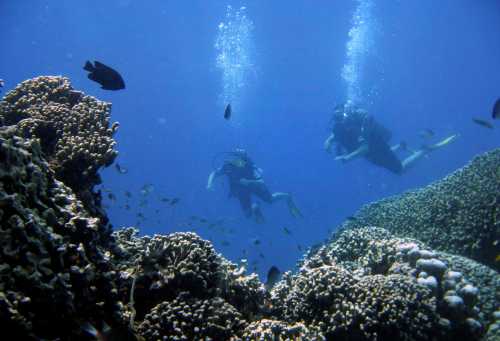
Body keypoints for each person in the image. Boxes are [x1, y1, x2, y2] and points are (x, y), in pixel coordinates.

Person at [324, 103, 458, 174]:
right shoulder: (340, 125)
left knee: (400, 170)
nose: (339, 122)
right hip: (371, 152)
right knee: (381, 159)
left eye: (340, 118)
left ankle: (424, 150)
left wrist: (347, 158)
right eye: (336, 119)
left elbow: (364, 148)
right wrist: (328, 142)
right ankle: (400, 146)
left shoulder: (361, 124)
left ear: (346, 116)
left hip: (375, 145)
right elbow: (335, 134)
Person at [207, 149, 302, 223]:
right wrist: (209, 184)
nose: (239, 162)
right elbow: (214, 173)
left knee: (271, 200)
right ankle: (255, 207)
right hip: (241, 191)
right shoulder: (228, 166)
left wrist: (249, 182)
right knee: (247, 215)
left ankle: (287, 196)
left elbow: (261, 182)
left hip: (254, 186)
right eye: (236, 158)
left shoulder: (250, 166)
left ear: (245, 160)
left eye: (241, 159)